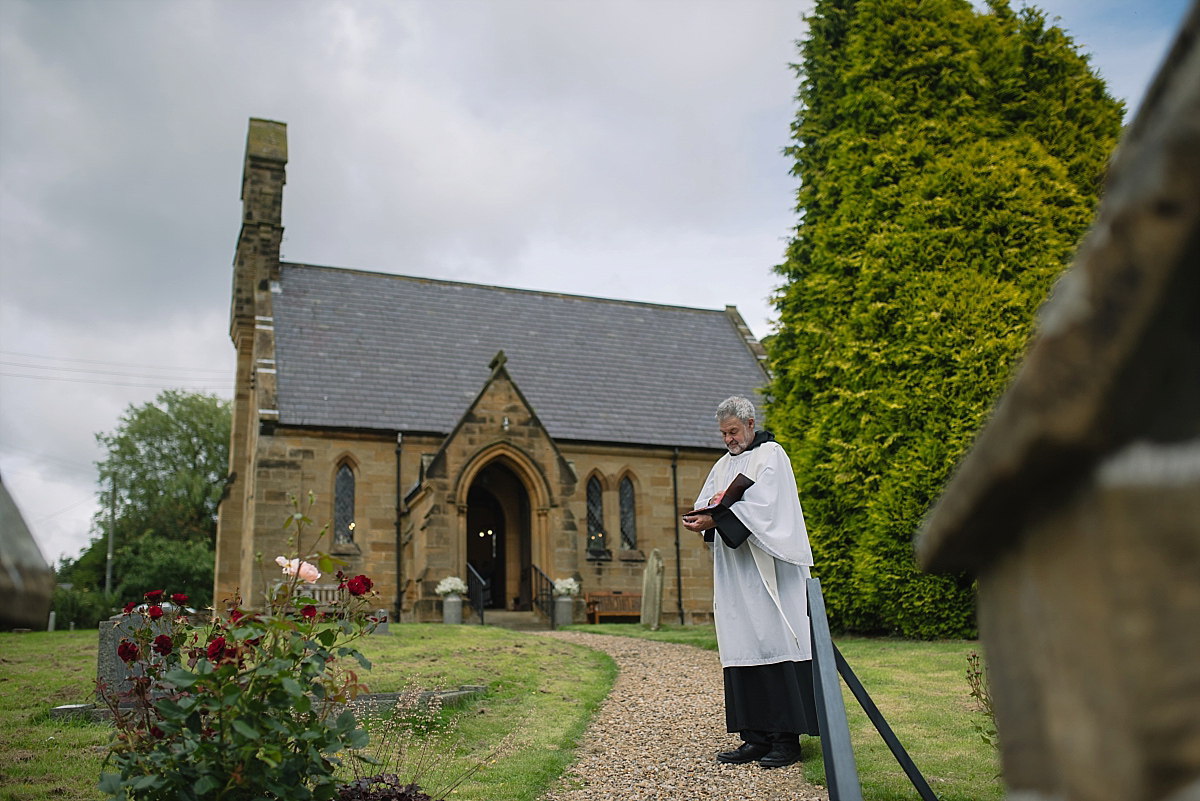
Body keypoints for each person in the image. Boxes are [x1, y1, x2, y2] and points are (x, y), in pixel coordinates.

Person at [682, 396, 819, 768]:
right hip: (737, 574)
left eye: (733, 431)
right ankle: (755, 737)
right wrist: (701, 516)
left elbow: (767, 508)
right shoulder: (724, 464)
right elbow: (710, 499)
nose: (728, 439)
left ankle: (786, 741)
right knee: (743, 643)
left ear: (750, 424)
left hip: (769, 573)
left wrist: (719, 517)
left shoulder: (772, 455)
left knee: (773, 641)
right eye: (723, 433)